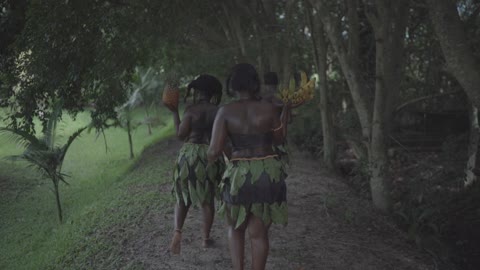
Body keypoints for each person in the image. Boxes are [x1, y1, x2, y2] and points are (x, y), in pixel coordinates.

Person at [208, 63, 289, 270]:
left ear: (232, 85)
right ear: (255, 84)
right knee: (259, 235)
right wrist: (286, 112)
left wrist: (230, 151)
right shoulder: (269, 109)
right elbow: (280, 139)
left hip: (239, 175)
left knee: (235, 229)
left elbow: (213, 151)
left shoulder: (225, 111)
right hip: (267, 174)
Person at [166, 74, 224, 254]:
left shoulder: (191, 110)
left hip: (188, 154)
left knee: (183, 196)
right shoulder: (218, 111)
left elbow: (180, 135)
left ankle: (177, 231)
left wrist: (175, 111)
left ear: (197, 92)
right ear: (213, 93)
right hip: (208, 155)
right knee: (207, 199)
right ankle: (206, 239)